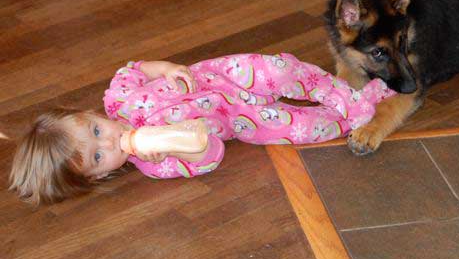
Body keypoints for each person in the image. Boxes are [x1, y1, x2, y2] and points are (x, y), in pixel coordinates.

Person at [9, 53, 394, 205]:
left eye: (95, 130)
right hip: (239, 120)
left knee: (279, 70)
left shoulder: (118, 98)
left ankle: (331, 89)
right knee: (303, 130)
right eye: (98, 155)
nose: (108, 138)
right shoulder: (154, 164)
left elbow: (136, 68)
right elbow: (210, 154)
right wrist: (175, 145)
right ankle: (353, 114)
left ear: (88, 113)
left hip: (223, 76)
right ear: (103, 173)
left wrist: (169, 70)